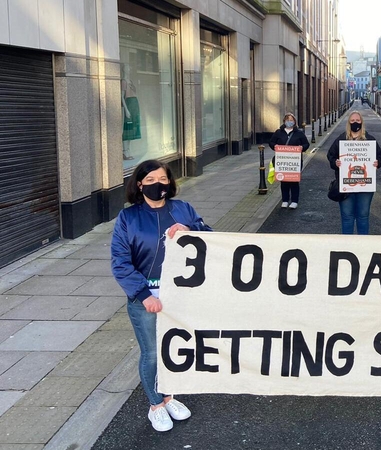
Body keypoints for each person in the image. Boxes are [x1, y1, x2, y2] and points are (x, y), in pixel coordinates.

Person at [110, 160, 213, 432]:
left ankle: (169, 397)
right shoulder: (128, 218)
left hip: (179, 298)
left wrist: (191, 232)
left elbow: (212, 239)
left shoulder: (183, 209)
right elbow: (120, 262)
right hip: (146, 301)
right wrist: (143, 294)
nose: (159, 184)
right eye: (152, 179)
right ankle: (155, 404)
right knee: (152, 353)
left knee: (173, 350)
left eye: (163, 179)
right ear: (140, 184)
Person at [327, 111, 381, 234]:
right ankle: (348, 246)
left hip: (365, 186)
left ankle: (362, 245)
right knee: (347, 217)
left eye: (357, 120)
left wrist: (376, 163)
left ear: (362, 122)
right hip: (346, 185)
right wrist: (335, 162)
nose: (355, 123)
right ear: (348, 123)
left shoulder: (370, 140)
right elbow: (330, 155)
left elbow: (379, 158)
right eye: (352, 121)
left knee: (363, 216)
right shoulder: (341, 139)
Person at [268, 112, 310, 209]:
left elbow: (306, 144)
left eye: (291, 120)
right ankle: (285, 200)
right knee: (284, 181)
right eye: (287, 120)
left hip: (295, 161)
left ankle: (294, 201)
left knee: (294, 181)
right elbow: (271, 142)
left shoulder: (299, 133)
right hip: (282, 161)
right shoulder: (278, 132)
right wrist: (275, 146)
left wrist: (301, 147)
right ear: (284, 121)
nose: (289, 122)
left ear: (294, 122)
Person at [121, 63, 141, 161]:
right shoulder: (124, 81)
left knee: (132, 129)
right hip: (128, 104)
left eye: (130, 67)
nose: (129, 69)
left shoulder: (131, 81)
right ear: (124, 69)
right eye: (127, 67)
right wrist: (126, 109)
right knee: (127, 129)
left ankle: (128, 150)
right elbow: (122, 97)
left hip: (134, 104)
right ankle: (125, 151)